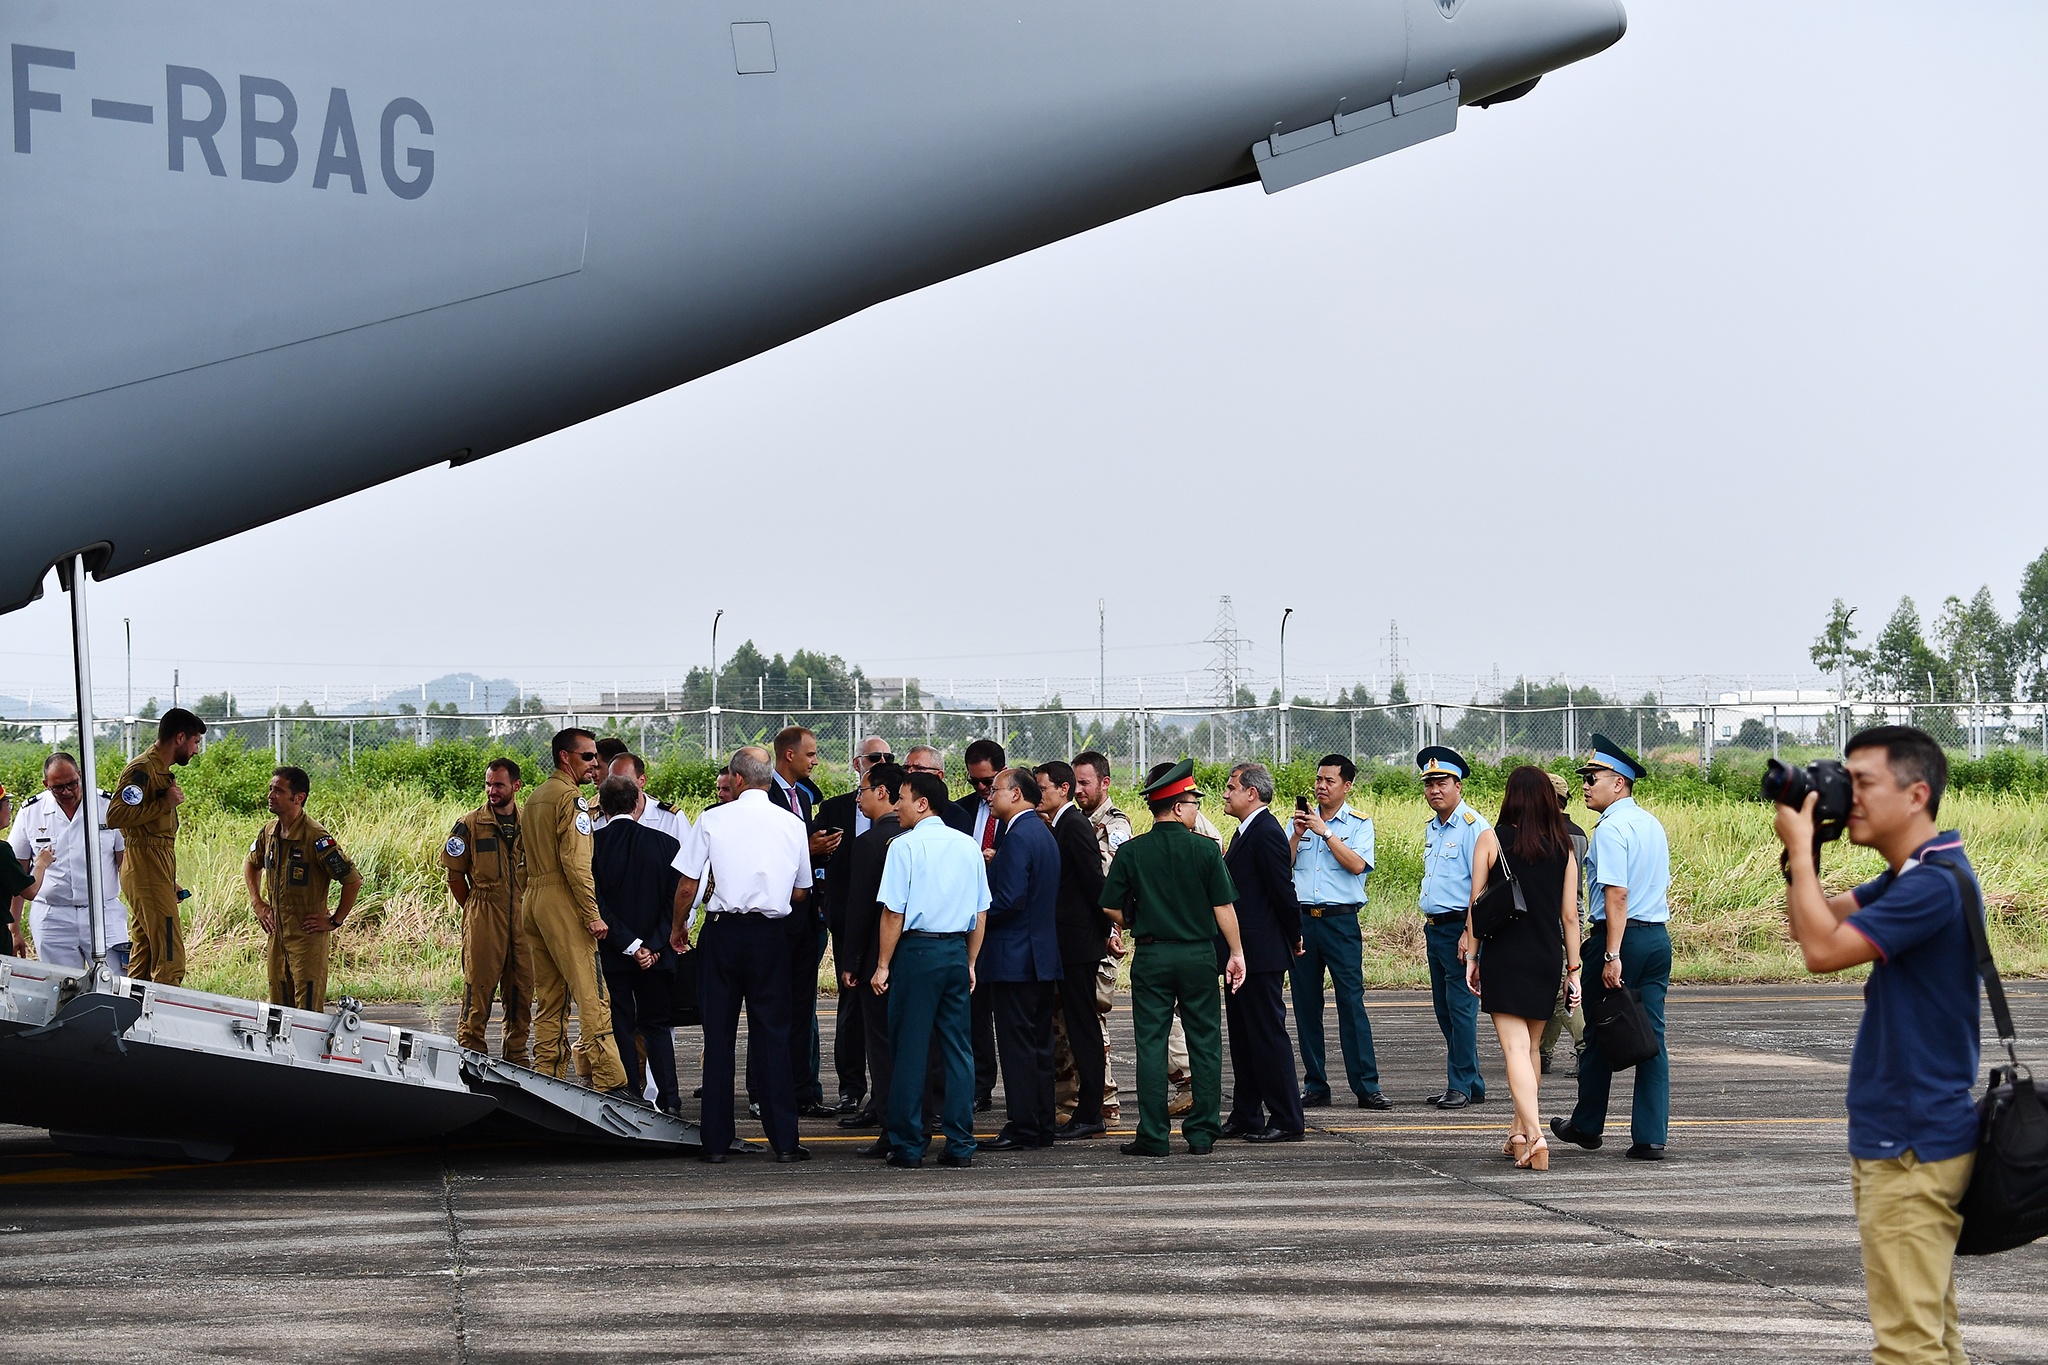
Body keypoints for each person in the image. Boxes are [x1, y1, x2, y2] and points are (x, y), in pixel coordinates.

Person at [1774, 726, 1983, 1365]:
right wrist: (1798, 858)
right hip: (1912, 1132)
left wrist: (1804, 854)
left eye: (1862, 783)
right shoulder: (1916, 872)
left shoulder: (1931, 884)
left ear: (1916, 793)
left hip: (1909, 1141)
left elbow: (1820, 952)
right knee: (1933, 1341)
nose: (1850, 796)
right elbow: (1817, 916)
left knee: (1906, 1349)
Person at [670, 746, 812, 1163]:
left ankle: (715, 1142)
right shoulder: (791, 823)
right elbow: (802, 890)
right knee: (773, 1035)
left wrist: (679, 927)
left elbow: (686, 885)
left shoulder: (713, 819)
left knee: (718, 1036)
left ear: (736, 778)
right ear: (768, 779)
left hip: (723, 933)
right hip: (770, 936)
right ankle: (784, 1140)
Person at [1099, 758, 1246, 1157]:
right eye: (1194, 802)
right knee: (1205, 1043)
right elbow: (1224, 909)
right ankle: (1201, 1134)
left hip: (1152, 954)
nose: (1197, 809)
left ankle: (1152, 1135)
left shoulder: (1132, 851)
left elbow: (1110, 905)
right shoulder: (1204, 849)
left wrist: (1131, 919)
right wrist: (1235, 952)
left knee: (1150, 1044)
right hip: (1198, 954)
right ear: (1179, 806)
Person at [1553, 732, 1673, 1161]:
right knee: (1650, 1035)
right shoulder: (1650, 823)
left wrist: (1611, 954)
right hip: (1656, 937)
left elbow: (1616, 895)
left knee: (1598, 1028)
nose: (1585, 785)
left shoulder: (1611, 829)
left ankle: (1588, 1124)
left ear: (1618, 782)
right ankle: (1650, 1136)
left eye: (1592, 777)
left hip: (1620, 938)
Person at [1464, 765, 1581, 1172]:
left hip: (1505, 954)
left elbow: (1476, 906)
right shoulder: (1564, 846)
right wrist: (1574, 970)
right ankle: (1517, 1131)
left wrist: (1472, 957)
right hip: (1546, 955)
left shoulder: (1491, 839)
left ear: (1510, 796)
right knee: (1529, 1049)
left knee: (1514, 1049)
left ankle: (1535, 1136)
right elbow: (1570, 917)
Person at [872, 770, 990, 1169]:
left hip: (917, 953)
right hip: (955, 950)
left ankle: (908, 1144)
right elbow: (980, 911)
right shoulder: (968, 846)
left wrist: (883, 965)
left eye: (902, 798)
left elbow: (893, 912)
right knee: (958, 1049)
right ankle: (960, 1143)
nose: (897, 805)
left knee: (909, 1048)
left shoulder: (904, 847)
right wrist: (970, 961)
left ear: (922, 803)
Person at [525, 728, 633, 1098]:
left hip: (535, 900)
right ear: (564, 758)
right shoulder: (572, 801)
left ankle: (546, 1074)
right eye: (587, 756)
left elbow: (526, 860)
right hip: (563, 900)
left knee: (550, 997)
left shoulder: (536, 797)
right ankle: (610, 1081)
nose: (594, 763)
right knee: (592, 993)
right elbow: (576, 864)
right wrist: (592, 913)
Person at [1288, 752, 1388, 1111]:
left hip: (1340, 921)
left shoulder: (1359, 824)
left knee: (1350, 1002)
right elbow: (1283, 864)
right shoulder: (1297, 822)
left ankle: (1366, 1085)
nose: (1321, 786)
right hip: (1302, 921)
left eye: (1329, 781)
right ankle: (1315, 1084)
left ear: (1347, 786)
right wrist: (1298, 836)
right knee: (1305, 1004)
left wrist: (1326, 833)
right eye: (1318, 780)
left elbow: (1357, 864)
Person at [1219, 762, 1305, 1142]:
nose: (1225, 793)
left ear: (1251, 793)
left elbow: (1282, 890)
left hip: (1261, 952)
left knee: (1267, 1036)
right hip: (1242, 953)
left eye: (1231, 787)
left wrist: (1295, 935)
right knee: (1243, 1036)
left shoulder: (1267, 831)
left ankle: (1286, 1117)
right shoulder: (1245, 831)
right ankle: (1247, 1112)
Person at [979, 767, 1063, 1151]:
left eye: (995, 789)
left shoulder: (1018, 836)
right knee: (1039, 1045)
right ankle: (1042, 1122)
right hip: (1040, 956)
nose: (989, 796)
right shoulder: (1042, 833)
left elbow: (1009, 898)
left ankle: (1024, 1125)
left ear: (1015, 794)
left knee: (1016, 1047)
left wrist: (975, 913)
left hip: (1015, 957)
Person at [592, 775, 685, 1114]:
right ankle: (671, 1101)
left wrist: (631, 945)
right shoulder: (666, 845)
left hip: (615, 953)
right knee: (658, 1026)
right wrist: (655, 945)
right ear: (636, 804)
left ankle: (632, 1098)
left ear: (601, 808)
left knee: (622, 1026)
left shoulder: (593, 846)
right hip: (658, 955)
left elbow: (596, 903)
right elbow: (675, 901)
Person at [763, 725, 840, 1119]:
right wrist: (805, 848)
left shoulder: (805, 795)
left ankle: (802, 1090)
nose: (815, 760)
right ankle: (766, 1092)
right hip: (774, 916)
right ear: (789, 755)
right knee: (771, 1007)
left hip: (805, 916)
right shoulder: (765, 795)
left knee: (800, 1007)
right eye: (810, 754)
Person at [242, 766, 362, 1010]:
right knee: (278, 1010)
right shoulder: (269, 832)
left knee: (306, 1011)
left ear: (299, 798)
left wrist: (335, 921)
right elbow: (251, 863)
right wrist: (258, 903)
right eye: (270, 789)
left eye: (278, 790)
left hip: (306, 938)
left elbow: (352, 880)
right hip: (277, 935)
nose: (271, 795)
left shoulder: (316, 838)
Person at [1034, 760, 1109, 1140]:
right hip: (1069, 942)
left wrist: (1106, 927)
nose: (1038, 794)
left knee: (1083, 1028)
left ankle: (1090, 1110)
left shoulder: (1074, 825)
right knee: (1075, 1028)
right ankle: (1083, 1107)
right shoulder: (1061, 824)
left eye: (1043, 788)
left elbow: (1095, 884)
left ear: (1062, 790)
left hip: (1078, 944)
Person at [836, 762, 907, 1155]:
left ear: (882, 792)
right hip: (911, 957)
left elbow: (861, 911)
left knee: (880, 1048)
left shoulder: (869, 844)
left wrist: (851, 962)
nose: (858, 797)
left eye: (862, 790)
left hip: (876, 961)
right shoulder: (913, 838)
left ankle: (889, 1125)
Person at [820, 736, 893, 1118]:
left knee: (883, 1023)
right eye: (873, 757)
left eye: (886, 757)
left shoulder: (900, 827)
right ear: (856, 763)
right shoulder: (834, 808)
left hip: (884, 932)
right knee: (851, 1015)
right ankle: (851, 1088)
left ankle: (884, 1100)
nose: (880, 760)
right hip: (848, 925)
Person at [441, 757, 532, 1062]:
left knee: (521, 990)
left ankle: (517, 1056)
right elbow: (454, 874)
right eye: (488, 784)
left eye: (499, 784)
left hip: (523, 915)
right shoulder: (469, 825)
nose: (492, 790)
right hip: (483, 913)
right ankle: (470, 1054)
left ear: (516, 786)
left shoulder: (530, 824)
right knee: (478, 989)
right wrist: (473, 907)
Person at [107, 707, 205, 984]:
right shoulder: (143, 771)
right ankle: (162, 1014)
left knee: (146, 949)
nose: (196, 750)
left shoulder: (161, 772)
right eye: (195, 742)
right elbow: (116, 816)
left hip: (154, 868)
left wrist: (167, 880)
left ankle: (131, 1012)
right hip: (144, 865)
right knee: (171, 955)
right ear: (180, 738)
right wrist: (165, 803)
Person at [7, 752, 130, 973]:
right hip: (53, 916)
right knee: (59, 989)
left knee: (113, 984)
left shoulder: (107, 807)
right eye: (58, 787)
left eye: (72, 784)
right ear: (46, 785)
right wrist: (14, 928)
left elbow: (127, 866)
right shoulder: (31, 812)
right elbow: (18, 874)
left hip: (103, 912)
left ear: (80, 776)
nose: (67, 792)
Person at [1417, 746, 1489, 1109]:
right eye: (1429, 784)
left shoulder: (1473, 828)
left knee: (1461, 1009)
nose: (1434, 790)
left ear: (1458, 785)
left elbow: (1483, 888)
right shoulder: (1434, 827)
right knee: (1445, 1010)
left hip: (1461, 929)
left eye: (1442, 782)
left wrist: (1469, 933)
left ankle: (1460, 1084)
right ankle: (1472, 1082)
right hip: (1436, 929)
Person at [1068, 750, 1132, 1124]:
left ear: (1104, 783)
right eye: (1074, 783)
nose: (1079, 790)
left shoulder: (1113, 825)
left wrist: (1113, 930)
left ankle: (1104, 1101)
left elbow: (1114, 886)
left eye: (1085, 783)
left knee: (1094, 1018)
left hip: (1102, 936)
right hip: (1086, 932)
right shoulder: (1077, 821)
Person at [958, 737, 1007, 1111]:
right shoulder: (960, 813)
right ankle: (978, 1087)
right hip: (967, 919)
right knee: (972, 1012)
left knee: (1003, 1012)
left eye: (988, 781)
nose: (982, 789)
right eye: (975, 781)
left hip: (1003, 922)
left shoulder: (1019, 814)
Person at [1539, 771, 1590, 1076]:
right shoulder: (1579, 832)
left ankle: (1586, 1044)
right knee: (1556, 987)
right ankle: (1543, 1051)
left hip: (1554, 920)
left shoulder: (1548, 834)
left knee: (1561, 991)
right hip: (1574, 917)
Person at [591, 752, 692, 848]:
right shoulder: (599, 821)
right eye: (612, 780)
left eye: (625, 780)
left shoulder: (670, 819)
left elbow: (688, 860)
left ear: (642, 781)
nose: (619, 785)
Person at [904, 746, 973, 834]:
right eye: (906, 768)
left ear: (939, 775)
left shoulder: (956, 816)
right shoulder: (896, 810)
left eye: (919, 768)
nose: (910, 773)